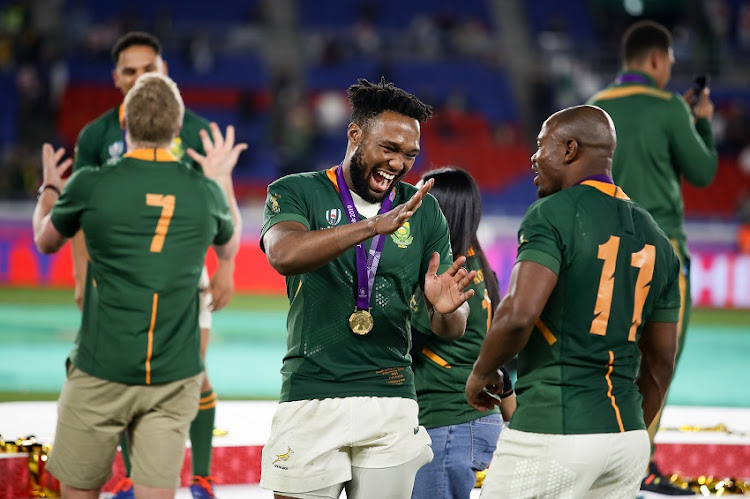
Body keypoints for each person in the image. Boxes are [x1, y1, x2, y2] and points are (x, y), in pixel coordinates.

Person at [259, 77, 477, 499]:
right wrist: (372, 226)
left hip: (390, 396)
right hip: (311, 392)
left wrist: (447, 310)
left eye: (409, 155)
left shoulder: (423, 208)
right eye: (389, 149)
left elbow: (452, 328)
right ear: (355, 134)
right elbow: (283, 254)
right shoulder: (296, 191)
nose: (398, 164)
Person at [33, 73, 241, 499]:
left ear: (124, 123)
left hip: (99, 366)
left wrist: (51, 187)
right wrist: (220, 177)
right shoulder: (204, 192)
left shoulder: (90, 184)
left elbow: (45, 240)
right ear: (178, 130)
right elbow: (231, 243)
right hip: (173, 373)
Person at [465, 105, 682, 498]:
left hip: (554, 427)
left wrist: (481, 373)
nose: (533, 157)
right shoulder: (659, 240)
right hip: (627, 438)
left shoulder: (551, 215)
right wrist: (629, 430)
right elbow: (661, 362)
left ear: (568, 150)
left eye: (539, 145)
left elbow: (517, 315)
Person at [587, 20, 718, 495]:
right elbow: (703, 171)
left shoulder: (596, 105)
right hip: (662, 255)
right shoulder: (670, 108)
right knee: (659, 359)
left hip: (605, 254)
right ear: (659, 60)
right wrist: (697, 119)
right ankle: (638, 462)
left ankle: (601, 451)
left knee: (607, 356)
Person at [409, 167, 516, 499]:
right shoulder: (475, 264)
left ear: (440, 211)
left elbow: (403, 347)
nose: (409, 209)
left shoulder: (444, 276)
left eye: (419, 202)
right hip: (471, 420)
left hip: (447, 423)